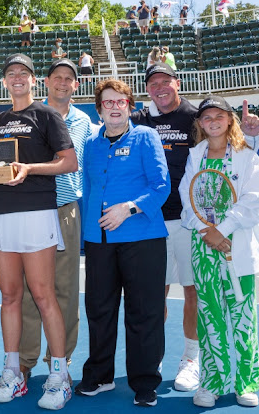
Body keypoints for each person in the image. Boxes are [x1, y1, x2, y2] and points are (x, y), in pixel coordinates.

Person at [130, 62, 259, 394]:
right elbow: (111, 126)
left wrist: (252, 135)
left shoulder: (194, 115)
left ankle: (193, 360)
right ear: (148, 89)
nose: (160, 87)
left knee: (199, 295)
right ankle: (154, 358)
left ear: (178, 83)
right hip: (156, 224)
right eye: (153, 83)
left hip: (196, 230)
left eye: (166, 81)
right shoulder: (143, 122)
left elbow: (242, 167)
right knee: (156, 295)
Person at [0, 53, 78, 410]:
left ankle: (59, 376)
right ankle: (13, 371)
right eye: (11, 73)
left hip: (37, 212)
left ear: (33, 80)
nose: (17, 77)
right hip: (1, 214)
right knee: (9, 296)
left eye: (24, 72)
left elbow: (69, 162)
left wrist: (29, 168)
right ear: (4, 82)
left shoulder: (47, 115)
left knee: (43, 295)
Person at [75, 78, 170, 407]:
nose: (114, 107)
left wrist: (129, 208)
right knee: (98, 309)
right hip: (99, 241)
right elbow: (88, 190)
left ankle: (144, 381)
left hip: (142, 238)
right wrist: (89, 235)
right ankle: (100, 375)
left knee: (144, 311)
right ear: (99, 108)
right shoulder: (91, 144)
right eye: (107, 102)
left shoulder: (146, 137)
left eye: (120, 102)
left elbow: (161, 187)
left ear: (129, 106)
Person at [179, 95, 259, 408]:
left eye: (219, 116)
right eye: (207, 117)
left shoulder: (247, 156)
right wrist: (208, 232)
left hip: (236, 247)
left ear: (230, 120)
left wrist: (223, 231)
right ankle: (212, 382)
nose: (213, 121)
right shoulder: (195, 155)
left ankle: (245, 383)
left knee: (243, 316)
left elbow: (252, 201)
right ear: (200, 124)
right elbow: (187, 197)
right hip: (204, 247)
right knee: (209, 315)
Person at [17, 58, 93, 389]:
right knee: (28, 292)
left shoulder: (86, 123)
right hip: (31, 210)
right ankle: (24, 361)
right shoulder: (28, 115)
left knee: (65, 290)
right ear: (46, 82)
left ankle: (59, 360)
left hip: (66, 211)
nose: (63, 82)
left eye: (69, 79)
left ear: (76, 85)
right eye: (57, 77)